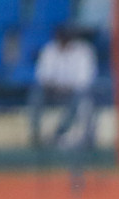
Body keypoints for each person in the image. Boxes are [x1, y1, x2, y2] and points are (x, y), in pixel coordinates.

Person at [29, 26, 98, 155]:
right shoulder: (50, 50)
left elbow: (85, 80)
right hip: (53, 91)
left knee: (81, 97)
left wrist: (67, 87)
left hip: (74, 92)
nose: (63, 43)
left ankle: (59, 133)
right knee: (36, 93)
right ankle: (35, 135)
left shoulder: (83, 51)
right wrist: (55, 86)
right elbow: (42, 77)